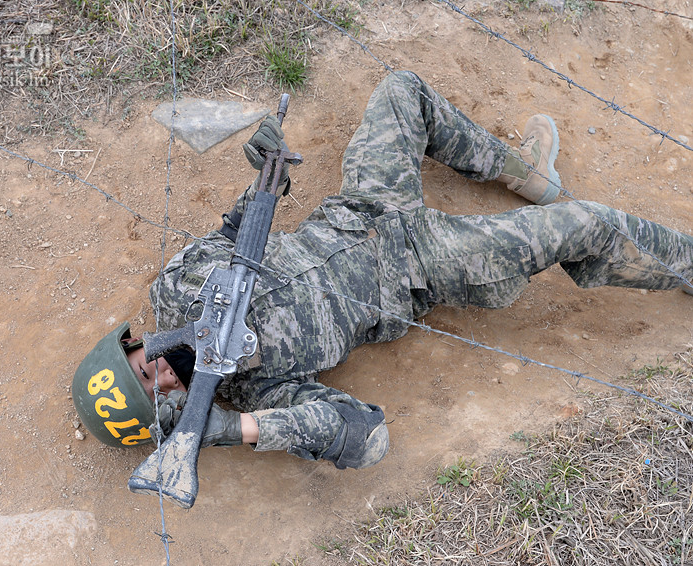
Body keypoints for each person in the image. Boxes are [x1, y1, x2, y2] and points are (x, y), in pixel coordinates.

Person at [73, 71, 693, 469]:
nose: (159, 373)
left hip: (362, 207)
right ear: (172, 418)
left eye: (140, 367)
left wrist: (268, 178)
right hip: (424, 264)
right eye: (156, 396)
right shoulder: (254, 395)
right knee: (588, 226)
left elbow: (234, 232)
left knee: (403, 91)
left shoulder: (176, 288)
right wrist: (228, 428)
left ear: (134, 343)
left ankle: (521, 169)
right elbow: (365, 438)